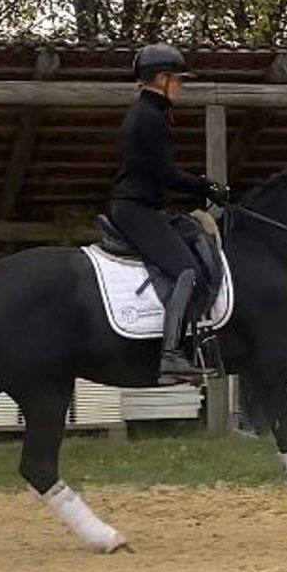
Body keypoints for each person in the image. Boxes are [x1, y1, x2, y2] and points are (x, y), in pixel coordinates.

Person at [109, 43, 228, 383]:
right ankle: (171, 356)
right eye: (178, 80)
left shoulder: (150, 112)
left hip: (144, 207)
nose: (181, 86)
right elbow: (166, 175)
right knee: (186, 271)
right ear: (161, 79)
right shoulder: (149, 117)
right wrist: (205, 187)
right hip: (135, 210)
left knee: (194, 240)